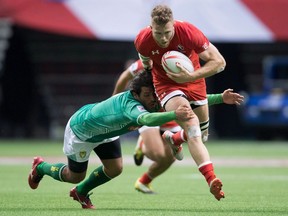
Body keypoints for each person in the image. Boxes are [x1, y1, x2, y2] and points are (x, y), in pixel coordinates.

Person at [27, 71, 193, 209]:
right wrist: (174, 114)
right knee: (74, 176)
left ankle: (81, 192)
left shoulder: (146, 101)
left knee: (115, 168)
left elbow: (190, 100)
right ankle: (41, 167)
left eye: (153, 94)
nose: (153, 99)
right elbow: (148, 120)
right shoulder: (132, 107)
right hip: (82, 131)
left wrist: (218, 99)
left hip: (106, 131)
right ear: (136, 94)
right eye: (148, 95)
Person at [134, 5, 227, 200]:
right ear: (151, 28)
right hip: (166, 84)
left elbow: (219, 62)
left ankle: (175, 138)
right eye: (158, 33)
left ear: (174, 25)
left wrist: (191, 76)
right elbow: (145, 59)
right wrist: (149, 70)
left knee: (202, 135)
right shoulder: (143, 40)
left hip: (194, 80)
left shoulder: (189, 32)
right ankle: (211, 180)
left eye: (167, 32)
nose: (164, 38)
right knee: (192, 126)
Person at [113, 59, 244, 194]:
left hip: (171, 112)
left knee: (170, 157)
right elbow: (125, 76)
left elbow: (194, 99)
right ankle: (144, 144)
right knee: (158, 155)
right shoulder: (149, 62)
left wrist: (221, 97)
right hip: (151, 112)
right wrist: (115, 101)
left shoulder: (180, 64)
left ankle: (144, 181)